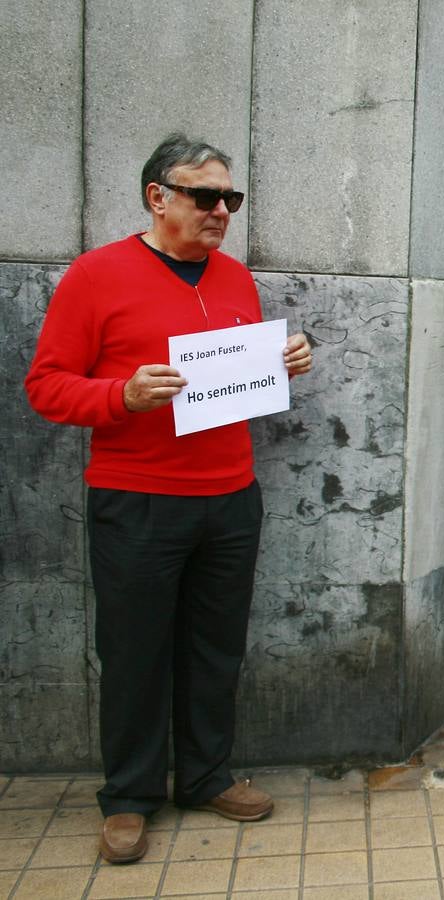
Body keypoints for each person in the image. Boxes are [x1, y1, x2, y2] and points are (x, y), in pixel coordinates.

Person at [24, 134, 314, 865]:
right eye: (204, 197)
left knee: (216, 649)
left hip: (230, 496)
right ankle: (129, 796)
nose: (221, 211)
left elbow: (240, 376)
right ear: (158, 196)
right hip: (137, 501)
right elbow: (46, 385)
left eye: (230, 199)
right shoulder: (97, 276)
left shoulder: (235, 278)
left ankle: (208, 775)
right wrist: (119, 394)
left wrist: (286, 361)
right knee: (133, 654)